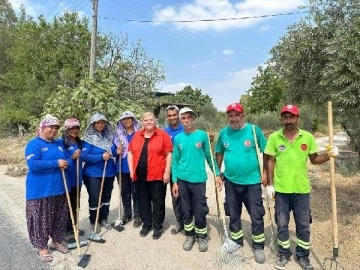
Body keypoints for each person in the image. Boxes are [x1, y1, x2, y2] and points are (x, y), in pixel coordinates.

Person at [264, 104, 339, 270]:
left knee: (303, 225)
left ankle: (303, 256)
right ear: (282, 119)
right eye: (285, 117)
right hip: (282, 190)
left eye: (292, 117)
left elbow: (314, 159)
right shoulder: (275, 138)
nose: (288, 120)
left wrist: (329, 155)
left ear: (298, 119)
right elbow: (270, 160)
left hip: (301, 190)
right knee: (282, 224)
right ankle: (284, 254)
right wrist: (270, 185)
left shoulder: (307, 137)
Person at [215, 102, 267, 263]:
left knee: (256, 214)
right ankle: (236, 240)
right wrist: (217, 173)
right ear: (227, 117)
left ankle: (258, 245)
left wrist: (265, 172)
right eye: (230, 115)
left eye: (237, 115)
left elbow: (266, 151)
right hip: (230, 180)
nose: (234, 118)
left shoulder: (253, 130)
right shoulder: (224, 133)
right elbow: (219, 153)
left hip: (252, 181)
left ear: (242, 116)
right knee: (233, 212)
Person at [172, 107, 222, 252]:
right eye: (184, 118)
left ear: (193, 118)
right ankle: (189, 235)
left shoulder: (202, 136)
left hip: (199, 180)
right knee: (186, 209)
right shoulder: (178, 138)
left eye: (189, 118)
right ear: (180, 120)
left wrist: (217, 174)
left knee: (199, 209)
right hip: (182, 179)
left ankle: (202, 236)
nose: (186, 121)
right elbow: (175, 161)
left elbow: (209, 157)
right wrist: (175, 181)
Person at [25, 115, 71, 263]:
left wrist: (66, 162)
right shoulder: (34, 144)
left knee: (59, 218)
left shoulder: (59, 143)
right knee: (40, 220)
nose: (53, 130)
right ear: (43, 127)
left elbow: (67, 158)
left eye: (56, 127)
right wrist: (55, 163)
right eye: (50, 127)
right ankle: (42, 247)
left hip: (59, 188)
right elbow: (33, 165)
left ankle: (56, 241)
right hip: (40, 190)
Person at [128, 112, 173, 240]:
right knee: (143, 202)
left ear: (155, 121)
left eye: (151, 119)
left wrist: (167, 172)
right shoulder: (137, 135)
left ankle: (157, 226)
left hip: (157, 175)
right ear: (142, 122)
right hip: (140, 176)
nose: (148, 122)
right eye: (146, 120)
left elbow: (169, 154)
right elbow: (130, 153)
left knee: (158, 202)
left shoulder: (163, 135)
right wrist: (131, 170)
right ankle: (146, 224)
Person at [82, 112, 117, 233]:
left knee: (106, 197)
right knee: (95, 198)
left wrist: (118, 151)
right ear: (93, 124)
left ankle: (104, 218)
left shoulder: (109, 137)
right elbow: (84, 156)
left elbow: (114, 152)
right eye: (98, 122)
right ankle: (94, 221)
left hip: (109, 172)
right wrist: (101, 157)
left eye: (103, 122)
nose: (101, 125)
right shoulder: (88, 139)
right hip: (93, 174)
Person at [113, 111, 141, 228]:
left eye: (128, 118)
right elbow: (112, 149)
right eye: (124, 119)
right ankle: (127, 214)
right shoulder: (117, 135)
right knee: (125, 193)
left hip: (136, 168)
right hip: (121, 168)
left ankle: (138, 215)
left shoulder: (139, 133)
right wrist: (116, 151)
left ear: (133, 119)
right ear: (121, 122)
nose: (126, 121)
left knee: (136, 193)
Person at [60, 118, 84, 237]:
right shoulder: (61, 143)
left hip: (77, 180)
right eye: (72, 128)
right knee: (66, 206)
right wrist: (72, 157)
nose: (75, 130)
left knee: (75, 205)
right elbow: (61, 161)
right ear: (67, 129)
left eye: (77, 128)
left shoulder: (80, 142)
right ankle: (66, 230)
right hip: (66, 180)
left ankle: (74, 227)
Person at [164, 105, 184, 235]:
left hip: (185, 169)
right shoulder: (165, 132)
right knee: (175, 197)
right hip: (171, 170)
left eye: (174, 115)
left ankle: (190, 221)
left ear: (178, 115)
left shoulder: (186, 129)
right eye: (170, 115)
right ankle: (180, 222)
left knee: (186, 198)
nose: (172, 117)